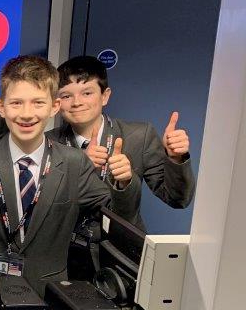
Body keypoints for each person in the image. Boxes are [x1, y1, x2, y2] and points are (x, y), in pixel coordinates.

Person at [0, 55, 135, 297]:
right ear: (1, 107)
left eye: (38, 103)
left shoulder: (74, 163)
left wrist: (124, 184)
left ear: (54, 106)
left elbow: (115, 220)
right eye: (16, 103)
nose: (27, 114)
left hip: (51, 294)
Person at [48, 55, 195, 232]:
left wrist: (176, 159)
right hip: (66, 245)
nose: (77, 102)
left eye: (87, 93)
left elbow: (178, 199)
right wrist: (78, 166)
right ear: (57, 102)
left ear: (105, 96)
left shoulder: (138, 136)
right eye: (66, 96)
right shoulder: (48, 143)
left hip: (121, 244)